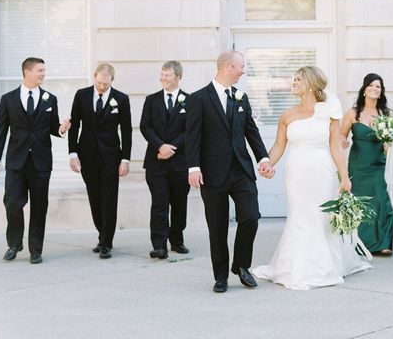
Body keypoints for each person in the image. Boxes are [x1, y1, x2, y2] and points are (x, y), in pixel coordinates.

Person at [253, 66, 372, 290]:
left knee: (320, 218)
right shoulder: (287, 115)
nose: (294, 83)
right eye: (294, 79)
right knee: (299, 216)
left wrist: (344, 177)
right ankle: (296, 267)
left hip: (322, 171)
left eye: (298, 79)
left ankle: (323, 266)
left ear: (310, 83)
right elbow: (279, 146)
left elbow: (336, 147)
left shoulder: (329, 111)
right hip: (296, 172)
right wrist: (267, 163)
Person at [186, 51, 273, 293]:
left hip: (241, 171)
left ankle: (242, 266)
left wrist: (263, 158)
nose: (243, 71)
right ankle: (221, 276)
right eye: (241, 66)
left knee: (251, 216)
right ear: (227, 66)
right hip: (211, 173)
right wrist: (193, 167)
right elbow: (191, 137)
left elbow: (251, 132)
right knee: (218, 226)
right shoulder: (199, 98)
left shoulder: (241, 98)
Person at [0, 57, 71, 264]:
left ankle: (36, 249)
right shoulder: (8, 99)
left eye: (44, 70)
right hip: (16, 161)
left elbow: (54, 128)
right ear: (27, 72)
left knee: (39, 206)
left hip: (41, 162)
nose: (43, 74)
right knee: (12, 203)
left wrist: (62, 129)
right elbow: (1, 131)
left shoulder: (50, 99)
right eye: (40, 71)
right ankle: (14, 244)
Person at [68, 63, 132, 259]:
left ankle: (106, 242)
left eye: (105, 84)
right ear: (94, 77)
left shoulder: (121, 99)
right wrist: (73, 154)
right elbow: (74, 125)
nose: (101, 87)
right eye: (98, 83)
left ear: (112, 80)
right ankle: (102, 234)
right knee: (94, 198)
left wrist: (125, 159)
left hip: (111, 157)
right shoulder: (81, 95)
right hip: (87, 155)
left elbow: (127, 130)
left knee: (109, 199)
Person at [140, 61, 191, 260]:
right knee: (159, 203)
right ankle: (159, 245)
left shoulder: (190, 100)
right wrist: (160, 146)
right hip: (156, 161)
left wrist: (172, 148)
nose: (163, 78)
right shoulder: (151, 100)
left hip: (180, 163)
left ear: (178, 77)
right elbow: (145, 126)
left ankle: (177, 240)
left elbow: (191, 130)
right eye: (162, 74)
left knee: (179, 203)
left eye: (167, 75)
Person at [341, 73, 393, 256]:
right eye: (371, 85)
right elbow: (341, 136)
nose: (374, 88)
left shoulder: (386, 115)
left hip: (377, 165)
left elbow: (392, 141)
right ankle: (357, 243)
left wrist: (390, 143)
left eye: (378, 86)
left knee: (380, 201)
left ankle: (383, 242)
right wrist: (343, 143)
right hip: (358, 165)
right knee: (359, 202)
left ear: (381, 92)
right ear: (364, 89)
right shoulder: (353, 113)